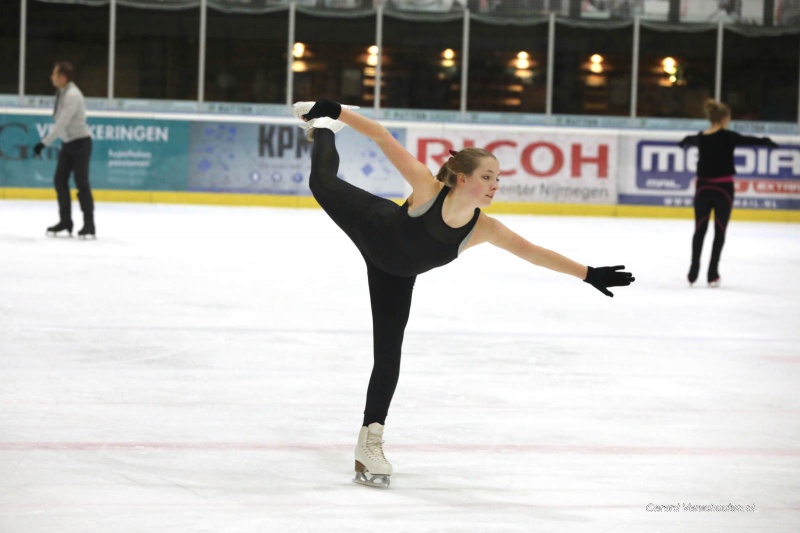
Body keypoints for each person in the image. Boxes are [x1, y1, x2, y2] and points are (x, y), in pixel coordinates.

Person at [293, 98, 635, 489]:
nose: (495, 185)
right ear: (461, 178)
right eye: (488, 177)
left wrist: (588, 274)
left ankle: (370, 440)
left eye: (497, 179)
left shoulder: (483, 228)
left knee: (388, 357)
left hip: (394, 276)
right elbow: (382, 136)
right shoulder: (427, 187)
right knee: (321, 182)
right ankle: (320, 129)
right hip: (374, 226)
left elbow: (533, 253)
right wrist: (337, 113)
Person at [678, 99, 777, 287]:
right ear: (724, 119)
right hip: (724, 190)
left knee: (700, 230)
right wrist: (766, 141)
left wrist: (685, 141)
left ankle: (693, 270)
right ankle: (712, 273)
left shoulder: (700, 137)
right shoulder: (729, 136)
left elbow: (689, 140)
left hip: (703, 189)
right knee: (719, 231)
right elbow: (749, 141)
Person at [33, 61, 96, 239]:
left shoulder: (72, 96)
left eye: (54, 74)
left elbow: (61, 124)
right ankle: (66, 221)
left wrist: (43, 143)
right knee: (60, 180)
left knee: (81, 182)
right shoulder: (62, 93)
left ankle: (89, 224)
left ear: (62, 77)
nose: (51, 77)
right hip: (69, 143)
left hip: (81, 143)